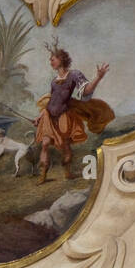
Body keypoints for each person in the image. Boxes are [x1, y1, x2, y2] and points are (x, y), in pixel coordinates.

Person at [34, 44, 114, 183]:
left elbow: (86, 91)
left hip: (64, 116)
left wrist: (98, 77)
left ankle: (67, 172)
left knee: (64, 145)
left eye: (53, 59)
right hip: (49, 116)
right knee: (45, 144)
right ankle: (43, 175)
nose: (50, 62)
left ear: (61, 59)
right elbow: (50, 102)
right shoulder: (54, 81)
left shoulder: (74, 75)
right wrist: (39, 117)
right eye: (50, 59)